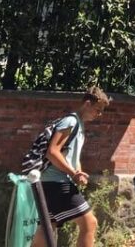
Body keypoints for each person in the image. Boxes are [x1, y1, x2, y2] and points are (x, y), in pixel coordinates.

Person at [32, 87, 110, 247]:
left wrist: (78, 171)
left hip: (49, 183)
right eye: (97, 110)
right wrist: (73, 173)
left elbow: (70, 155)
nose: (99, 114)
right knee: (90, 223)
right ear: (87, 104)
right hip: (57, 183)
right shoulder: (71, 121)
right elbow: (52, 152)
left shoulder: (79, 125)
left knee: (47, 229)